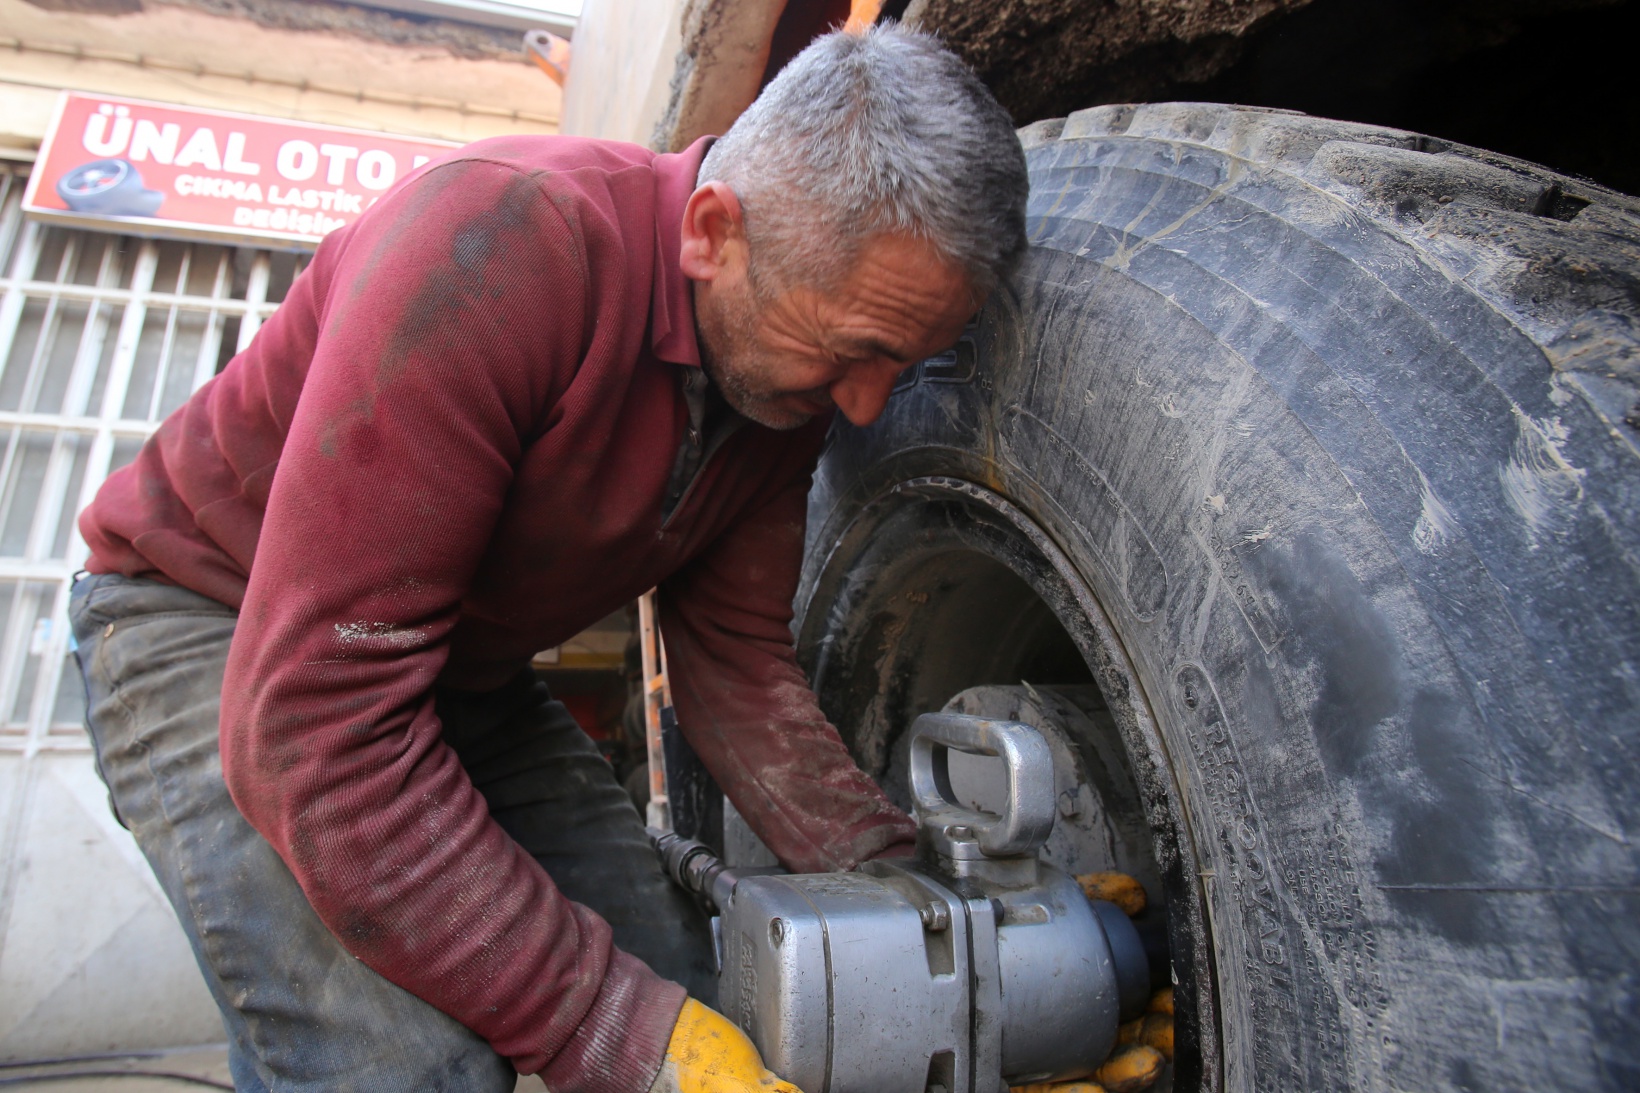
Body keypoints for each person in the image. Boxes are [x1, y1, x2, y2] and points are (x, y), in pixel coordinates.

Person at [69, 24, 1028, 1093]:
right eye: (848, 351)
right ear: (714, 232)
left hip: (453, 674)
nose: (861, 404)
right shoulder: (499, 244)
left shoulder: (779, 374)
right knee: (411, 1068)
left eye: (896, 363)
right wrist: (611, 1028)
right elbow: (314, 731)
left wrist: (918, 900)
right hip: (211, 626)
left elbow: (732, 662)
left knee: (698, 992)